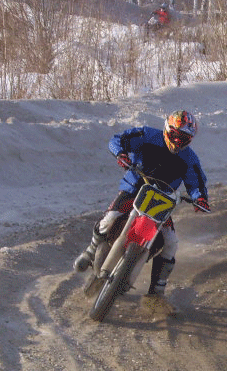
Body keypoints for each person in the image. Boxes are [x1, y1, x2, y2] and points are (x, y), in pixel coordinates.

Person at [73, 110, 210, 297]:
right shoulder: (147, 135)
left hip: (161, 201)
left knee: (171, 243)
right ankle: (90, 251)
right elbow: (118, 139)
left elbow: (197, 182)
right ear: (167, 129)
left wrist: (200, 198)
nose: (178, 142)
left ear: (190, 140)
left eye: (184, 139)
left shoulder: (189, 158)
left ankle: (157, 290)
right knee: (109, 218)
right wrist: (120, 153)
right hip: (133, 189)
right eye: (175, 135)